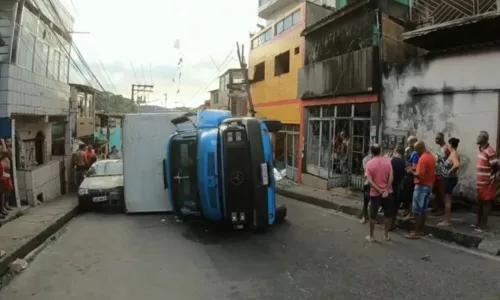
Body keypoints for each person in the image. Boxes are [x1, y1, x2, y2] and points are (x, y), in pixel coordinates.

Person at [405, 141, 436, 239]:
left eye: (415, 149)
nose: (415, 151)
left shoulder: (422, 159)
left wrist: (412, 172)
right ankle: (421, 230)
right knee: (423, 209)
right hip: (429, 185)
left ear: (420, 148)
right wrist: (415, 169)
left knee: (417, 211)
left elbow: (421, 175)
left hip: (421, 186)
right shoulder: (431, 156)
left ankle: (416, 232)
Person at [364, 144, 393, 242]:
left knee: (373, 215)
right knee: (388, 215)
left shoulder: (369, 163)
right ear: (381, 151)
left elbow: (369, 180)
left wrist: (379, 190)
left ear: (371, 152)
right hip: (387, 192)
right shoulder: (388, 162)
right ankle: (386, 235)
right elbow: (391, 177)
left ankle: (371, 236)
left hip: (375, 194)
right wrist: (386, 189)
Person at [474, 131, 498, 232]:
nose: (477, 138)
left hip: (487, 183)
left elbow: (496, 166)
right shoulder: (482, 150)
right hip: (480, 183)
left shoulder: (490, 151)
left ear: (484, 139)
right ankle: (478, 223)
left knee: (486, 204)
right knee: (480, 203)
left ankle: (483, 226)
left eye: (479, 136)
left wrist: (491, 178)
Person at [438, 137, 460, 227]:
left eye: (448, 144)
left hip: (450, 179)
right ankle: (446, 217)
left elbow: (457, 165)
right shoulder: (453, 153)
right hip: (450, 178)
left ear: (450, 144)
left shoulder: (454, 153)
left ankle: (447, 221)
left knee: (447, 200)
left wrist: (449, 172)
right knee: (446, 199)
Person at [390, 144, 407, 230]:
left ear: (396, 151)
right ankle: (392, 224)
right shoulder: (403, 162)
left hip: (390, 186)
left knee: (389, 205)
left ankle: (388, 225)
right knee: (395, 207)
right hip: (399, 187)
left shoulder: (392, 161)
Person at [432, 133, 449, 215]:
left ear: (442, 138)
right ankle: (436, 207)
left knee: (441, 191)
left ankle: (441, 209)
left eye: (438, 138)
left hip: (442, 173)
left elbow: (450, 159)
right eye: (435, 138)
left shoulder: (446, 148)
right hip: (436, 172)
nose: (436, 140)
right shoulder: (439, 148)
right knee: (436, 191)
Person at [402, 136, 419, 218]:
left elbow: (414, 166)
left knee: (410, 195)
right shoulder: (409, 151)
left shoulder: (416, 153)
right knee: (407, 195)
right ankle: (407, 210)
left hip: (411, 176)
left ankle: (411, 213)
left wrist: (408, 168)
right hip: (408, 174)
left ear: (413, 142)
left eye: (409, 142)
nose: (408, 144)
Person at [360, 151, 373, 224]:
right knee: (366, 201)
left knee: (372, 202)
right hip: (368, 183)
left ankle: (370, 217)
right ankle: (365, 216)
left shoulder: (378, 159)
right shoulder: (366, 160)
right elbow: (366, 172)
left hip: (371, 183)